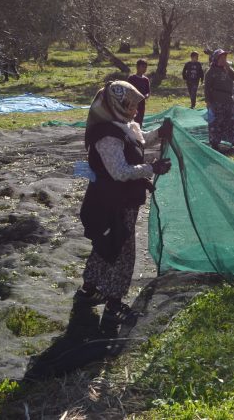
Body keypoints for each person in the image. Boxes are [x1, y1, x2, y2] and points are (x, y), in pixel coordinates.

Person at [76, 80, 173, 326]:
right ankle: (114, 304)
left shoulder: (124, 126)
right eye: (130, 105)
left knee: (108, 244)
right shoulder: (107, 135)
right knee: (122, 251)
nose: (135, 110)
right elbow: (119, 171)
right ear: (116, 105)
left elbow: (140, 142)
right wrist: (151, 168)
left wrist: (159, 134)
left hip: (121, 200)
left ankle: (89, 291)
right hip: (111, 203)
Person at [203, 49, 234, 150]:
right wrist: (208, 102)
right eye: (221, 57)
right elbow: (207, 88)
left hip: (229, 99)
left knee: (232, 121)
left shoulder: (227, 69)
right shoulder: (211, 71)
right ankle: (215, 142)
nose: (223, 59)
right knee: (216, 122)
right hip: (216, 100)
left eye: (225, 57)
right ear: (216, 59)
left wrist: (229, 68)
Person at [126, 59, 151, 125]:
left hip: (142, 103)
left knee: (140, 118)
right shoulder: (132, 78)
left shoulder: (145, 80)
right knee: (131, 118)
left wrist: (146, 96)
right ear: (137, 67)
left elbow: (148, 92)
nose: (144, 69)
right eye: (142, 67)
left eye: (145, 67)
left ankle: (139, 130)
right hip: (132, 103)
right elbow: (128, 90)